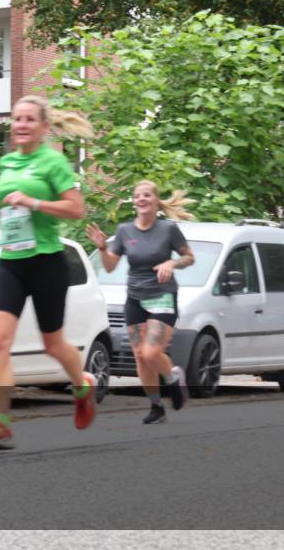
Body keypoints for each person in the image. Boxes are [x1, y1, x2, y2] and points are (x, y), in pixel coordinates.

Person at [0, 94, 96, 450]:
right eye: (16, 119)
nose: (21, 125)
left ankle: (82, 384)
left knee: (53, 344)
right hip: (12, 261)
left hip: (47, 262)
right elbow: (9, 196)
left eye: (29, 119)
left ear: (43, 127)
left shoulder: (54, 162)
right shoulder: (7, 162)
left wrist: (34, 203)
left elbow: (76, 210)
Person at [86, 180, 195, 424]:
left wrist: (171, 263)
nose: (142, 199)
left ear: (156, 201)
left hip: (162, 296)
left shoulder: (168, 229)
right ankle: (156, 407)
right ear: (134, 202)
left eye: (147, 195)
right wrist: (103, 248)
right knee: (140, 356)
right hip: (135, 298)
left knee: (151, 351)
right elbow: (110, 266)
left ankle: (173, 378)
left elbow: (189, 257)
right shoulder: (125, 231)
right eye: (138, 196)